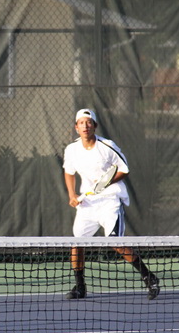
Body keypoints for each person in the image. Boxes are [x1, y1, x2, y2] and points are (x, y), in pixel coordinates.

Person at [62, 108, 160, 301]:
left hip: (110, 201)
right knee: (77, 244)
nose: (85, 126)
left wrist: (105, 183)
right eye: (81, 123)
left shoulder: (107, 146)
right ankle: (80, 287)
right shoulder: (71, 150)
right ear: (76, 127)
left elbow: (124, 169)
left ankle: (149, 277)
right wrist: (72, 194)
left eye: (89, 122)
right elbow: (69, 172)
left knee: (115, 242)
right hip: (87, 204)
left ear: (95, 126)